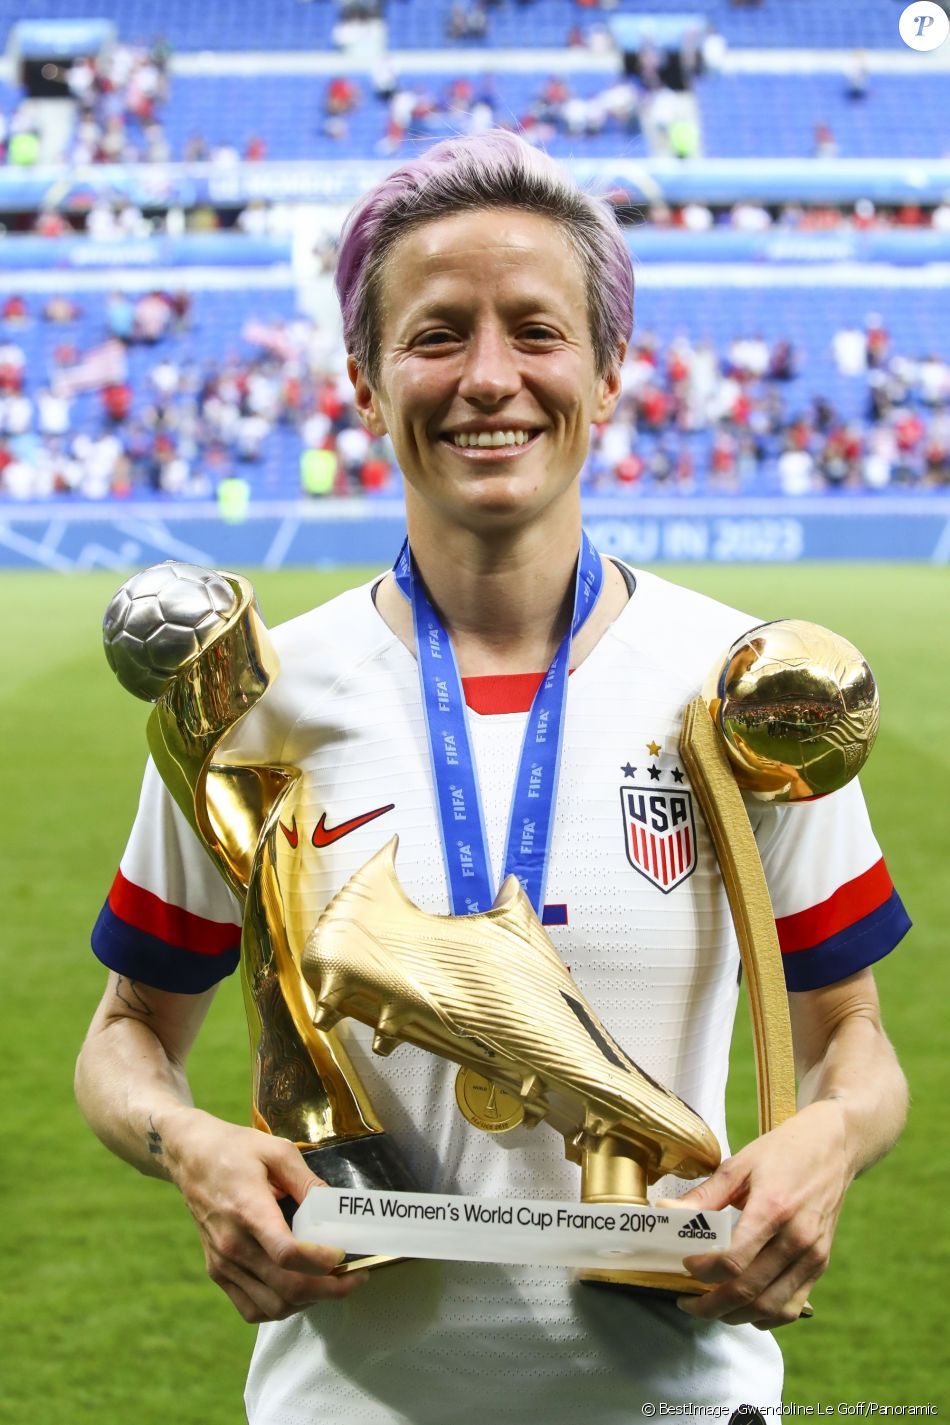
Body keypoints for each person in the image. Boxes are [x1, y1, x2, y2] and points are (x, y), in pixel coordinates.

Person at [76, 132, 910, 1424]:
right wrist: (185, 1142)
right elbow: (125, 1034)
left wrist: (829, 1140)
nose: (486, 378)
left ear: (608, 372)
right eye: (434, 335)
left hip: (684, 1403)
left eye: (534, 330)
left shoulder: (742, 687)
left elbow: (854, 1038)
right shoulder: (255, 705)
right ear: (362, 379)